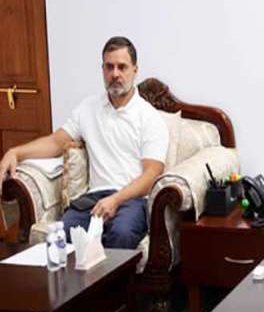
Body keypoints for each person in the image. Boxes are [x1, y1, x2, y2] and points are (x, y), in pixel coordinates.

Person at [0, 36, 168, 250]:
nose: (115, 74)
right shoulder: (88, 108)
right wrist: (16, 152)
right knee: (63, 234)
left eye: (122, 67)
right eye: (109, 67)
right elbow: (56, 142)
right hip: (93, 199)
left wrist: (116, 200)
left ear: (135, 70)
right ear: (102, 69)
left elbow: (151, 175)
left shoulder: (149, 117)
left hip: (131, 200)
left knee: (122, 233)